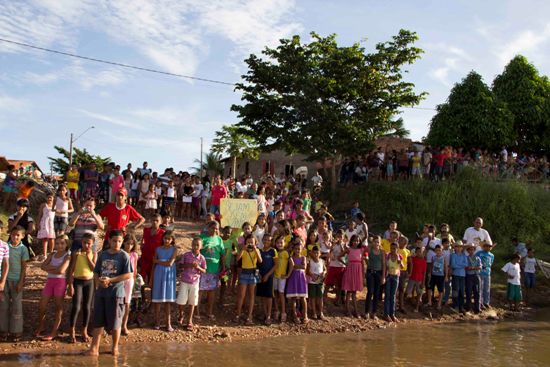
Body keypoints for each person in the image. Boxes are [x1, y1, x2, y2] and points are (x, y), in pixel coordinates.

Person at [87, 230, 132, 356]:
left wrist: (111, 280)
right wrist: (98, 283)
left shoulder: (124, 256)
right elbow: (96, 271)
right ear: (109, 241)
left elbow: (128, 274)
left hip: (116, 293)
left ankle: (115, 347)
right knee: (98, 321)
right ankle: (94, 348)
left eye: (119, 241)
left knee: (116, 323)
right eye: (114, 240)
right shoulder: (103, 255)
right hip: (101, 293)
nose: (116, 243)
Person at [34, 234, 71, 340]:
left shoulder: (67, 256)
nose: (59, 245)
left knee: (58, 306)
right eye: (58, 243)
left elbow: (61, 271)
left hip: (60, 282)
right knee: (42, 305)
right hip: (50, 281)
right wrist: (54, 268)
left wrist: (49, 268)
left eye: (62, 243)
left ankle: (54, 331)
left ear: (66, 244)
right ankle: (41, 326)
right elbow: (42, 266)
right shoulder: (52, 254)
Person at [0, 226, 29, 342]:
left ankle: (16, 331)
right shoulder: (5, 246)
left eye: (18, 235)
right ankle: (3, 330)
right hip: (4, 280)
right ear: (10, 235)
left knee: (17, 306)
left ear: (22, 236)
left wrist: (21, 281)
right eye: (13, 235)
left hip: (17, 280)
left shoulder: (23, 249)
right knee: (3, 306)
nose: (15, 237)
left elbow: (24, 267)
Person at [67, 232, 96, 343]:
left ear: (92, 244)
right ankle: (72, 330)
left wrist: (88, 258)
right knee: (76, 306)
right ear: (81, 242)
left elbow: (94, 269)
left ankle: (84, 330)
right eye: (84, 243)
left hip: (89, 282)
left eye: (89, 243)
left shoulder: (94, 253)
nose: (86, 245)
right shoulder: (76, 253)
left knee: (87, 307)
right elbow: (71, 269)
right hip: (77, 281)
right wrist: (70, 285)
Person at [176, 237, 206, 330]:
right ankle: (181, 315)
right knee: (181, 300)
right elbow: (180, 265)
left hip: (195, 282)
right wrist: (188, 265)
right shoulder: (186, 255)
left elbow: (204, 270)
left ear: (201, 247)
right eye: (194, 244)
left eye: (197, 245)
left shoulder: (202, 258)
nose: (195, 246)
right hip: (185, 280)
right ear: (191, 245)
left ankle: (189, 320)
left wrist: (198, 268)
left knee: (192, 302)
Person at [150, 232, 177, 332]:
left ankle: (168, 323)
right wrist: (151, 279)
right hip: (158, 274)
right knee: (157, 300)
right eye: (165, 238)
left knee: (167, 301)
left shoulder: (174, 249)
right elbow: (153, 265)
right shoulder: (158, 249)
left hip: (168, 275)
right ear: (163, 238)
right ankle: (157, 322)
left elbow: (170, 263)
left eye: (169, 239)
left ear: (172, 240)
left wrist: (157, 261)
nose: (166, 240)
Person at [199, 221, 225, 320]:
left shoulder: (219, 240)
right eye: (213, 228)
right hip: (202, 270)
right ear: (208, 228)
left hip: (215, 271)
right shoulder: (202, 237)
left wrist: (223, 267)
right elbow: (196, 251)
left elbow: (222, 254)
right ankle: (196, 312)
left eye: (216, 228)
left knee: (211, 292)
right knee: (200, 292)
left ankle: (209, 312)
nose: (214, 230)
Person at [235, 234, 262, 324]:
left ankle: (249, 316)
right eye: (248, 242)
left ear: (255, 243)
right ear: (245, 242)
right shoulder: (243, 250)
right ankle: (238, 314)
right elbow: (238, 259)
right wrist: (243, 249)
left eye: (252, 242)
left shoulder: (256, 250)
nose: (250, 244)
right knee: (241, 296)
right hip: (244, 274)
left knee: (251, 296)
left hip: (252, 274)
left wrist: (255, 250)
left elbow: (260, 261)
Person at [341, 235, 365, 318]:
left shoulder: (361, 250)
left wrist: (363, 273)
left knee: (354, 292)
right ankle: (347, 310)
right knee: (349, 291)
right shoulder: (349, 249)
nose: (356, 242)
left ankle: (356, 310)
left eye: (358, 241)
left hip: (357, 271)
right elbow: (339, 257)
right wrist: (345, 264)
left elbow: (362, 262)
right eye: (354, 240)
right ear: (351, 241)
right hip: (350, 270)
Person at [286, 239, 309, 324]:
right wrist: (298, 266)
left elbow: (304, 267)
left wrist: (295, 266)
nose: (297, 251)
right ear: (293, 249)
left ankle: (305, 315)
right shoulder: (291, 258)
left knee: (303, 298)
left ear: (302, 249)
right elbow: (298, 266)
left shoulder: (304, 257)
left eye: (299, 249)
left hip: (301, 279)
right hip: (293, 278)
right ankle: (295, 315)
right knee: (294, 298)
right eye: (296, 249)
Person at [257, 234, 277, 325]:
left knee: (269, 296)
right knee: (262, 296)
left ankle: (268, 315)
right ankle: (264, 313)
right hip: (260, 276)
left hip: (269, 277)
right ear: (262, 240)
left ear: (271, 241)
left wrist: (267, 275)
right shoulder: (259, 251)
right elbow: (257, 265)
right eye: (265, 240)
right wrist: (260, 275)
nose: (266, 241)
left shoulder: (273, 251)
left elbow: (276, 265)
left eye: (269, 240)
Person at [121, 234, 139, 335]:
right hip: (120, 279)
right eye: (128, 243)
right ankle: (116, 325)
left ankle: (124, 325)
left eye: (132, 244)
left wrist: (134, 282)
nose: (129, 246)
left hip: (130, 280)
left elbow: (135, 270)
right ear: (124, 243)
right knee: (118, 301)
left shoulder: (134, 255)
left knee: (127, 302)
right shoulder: (120, 253)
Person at [324, 229, 346, 306]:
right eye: (338, 236)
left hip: (341, 266)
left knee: (339, 285)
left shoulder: (345, 244)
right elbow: (330, 251)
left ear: (343, 237)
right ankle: (324, 298)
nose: (339, 237)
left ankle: (338, 299)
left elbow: (343, 253)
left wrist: (341, 244)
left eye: (341, 236)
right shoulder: (333, 244)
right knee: (328, 282)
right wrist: (333, 245)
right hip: (333, 265)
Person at [365, 235, 385, 319]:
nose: (376, 243)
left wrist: (383, 277)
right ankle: (366, 312)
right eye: (375, 241)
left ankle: (374, 312)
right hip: (370, 272)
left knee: (377, 293)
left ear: (380, 243)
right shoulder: (369, 250)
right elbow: (364, 256)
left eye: (378, 242)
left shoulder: (382, 252)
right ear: (372, 242)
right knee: (370, 292)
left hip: (379, 273)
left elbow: (384, 265)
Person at [384, 242, 403, 322]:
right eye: (391, 248)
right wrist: (384, 276)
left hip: (396, 277)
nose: (393, 250)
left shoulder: (399, 257)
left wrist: (400, 262)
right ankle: (386, 314)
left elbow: (402, 267)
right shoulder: (388, 255)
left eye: (394, 248)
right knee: (387, 295)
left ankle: (392, 314)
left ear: (397, 249)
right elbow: (385, 266)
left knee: (393, 296)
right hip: (388, 277)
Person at [307, 246, 326, 320]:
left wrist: (324, 273)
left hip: (320, 281)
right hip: (312, 282)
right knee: (313, 298)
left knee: (320, 298)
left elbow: (325, 269)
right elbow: (307, 271)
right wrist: (312, 275)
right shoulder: (310, 261)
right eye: (314, 253)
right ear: (311, 253)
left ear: (320, 253)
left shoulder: (322, 261)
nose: (315, 254)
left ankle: (321, 312)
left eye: (317, 253)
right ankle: (314, 312)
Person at [272, 235, 289, 322]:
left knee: (281, 293)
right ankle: (276, 310)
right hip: (275, 276)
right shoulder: (274, 252)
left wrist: (287, 275)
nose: (279, 244)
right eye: (278, 242)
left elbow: (292, 264)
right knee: (275, 293)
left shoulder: (286, 253)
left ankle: (283, 312)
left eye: (281, 242)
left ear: (284, 243)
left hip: (282, 277)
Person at [407, 246, 427, 312]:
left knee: (419, 293)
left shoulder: (424, 262)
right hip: (412, 278)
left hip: (419, 279)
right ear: (415, 252)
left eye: (420, 252)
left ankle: (417, 307)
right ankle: (409, 304)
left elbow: (424, 273)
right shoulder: (412, 259)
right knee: (408, 293)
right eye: (418, 252)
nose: (419, 253)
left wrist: (423, 282)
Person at [450, 242, 468, 313]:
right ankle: (455, 306)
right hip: (455, 275)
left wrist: (458, 265)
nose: (458, 248)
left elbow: (466, 264)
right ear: (455, 248)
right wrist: (461, 265)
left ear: (462, 248)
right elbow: (453, 265)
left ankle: (461, 306)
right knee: (455, 290)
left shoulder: (464, 256)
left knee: (461, 291)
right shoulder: (453, 255)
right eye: (457, 246)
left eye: (460, 246)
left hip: (462, 275)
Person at [36, 194, 56, 260]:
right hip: (44, 223)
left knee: (52, 238)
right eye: (48, 197)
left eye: (51, 197)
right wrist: (38, 223)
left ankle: (51, 253)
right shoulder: (43, 205)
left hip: (52, 224)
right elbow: (39, 215)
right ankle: (45, 255)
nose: (49, 199)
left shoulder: (55, 206)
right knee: (45, 239)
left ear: (53, 198)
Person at [428, 245, 447, 310]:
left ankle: (439, 304)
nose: (438, 252)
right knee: (430, 288)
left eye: (439, 250)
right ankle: (429, 301)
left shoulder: (444, 258)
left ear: (442, 251)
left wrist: (446, 276)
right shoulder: (433, 257)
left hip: (441, 276)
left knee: (441, 290)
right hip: (433, 275)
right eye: (437, 250)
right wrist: (430, 273)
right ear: (435, 251)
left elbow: (445, 267)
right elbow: (431, 266)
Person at [476, 242, 495, 309]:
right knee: (480, 288)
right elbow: (475, 261)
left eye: (489, 246)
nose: (488, 248)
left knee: (487, 288)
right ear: (483, 247)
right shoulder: (479, 253)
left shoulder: (491, 255)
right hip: (480, 273)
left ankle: (486, 302)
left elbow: (491, 263)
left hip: (487, 273)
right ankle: (480, 303)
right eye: (486, 246)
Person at [464, 245, 482, 313]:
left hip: (476, 276)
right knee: (468, 291)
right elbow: (466, 267)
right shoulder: (466, 258)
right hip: (469, 276)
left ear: (474, 250)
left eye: (472, 249)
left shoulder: (478, 258)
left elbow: (480, 267)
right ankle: (468, 307)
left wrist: (472, 268)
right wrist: (474, 267)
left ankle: (477, 308)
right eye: (470, 250)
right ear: (468, 251)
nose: (471, 251)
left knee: (477, 292)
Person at [397, 236, 411, 312]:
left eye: (402, 240)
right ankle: (394, 305)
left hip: (404, 272)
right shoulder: (396, 249)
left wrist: (409, 272)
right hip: (396, 271)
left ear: (406, 243)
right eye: (400, 240)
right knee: (395, 289)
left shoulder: (408, 251)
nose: (400, 241)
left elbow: (410, 262)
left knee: (401, 289)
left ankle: (401, 306)